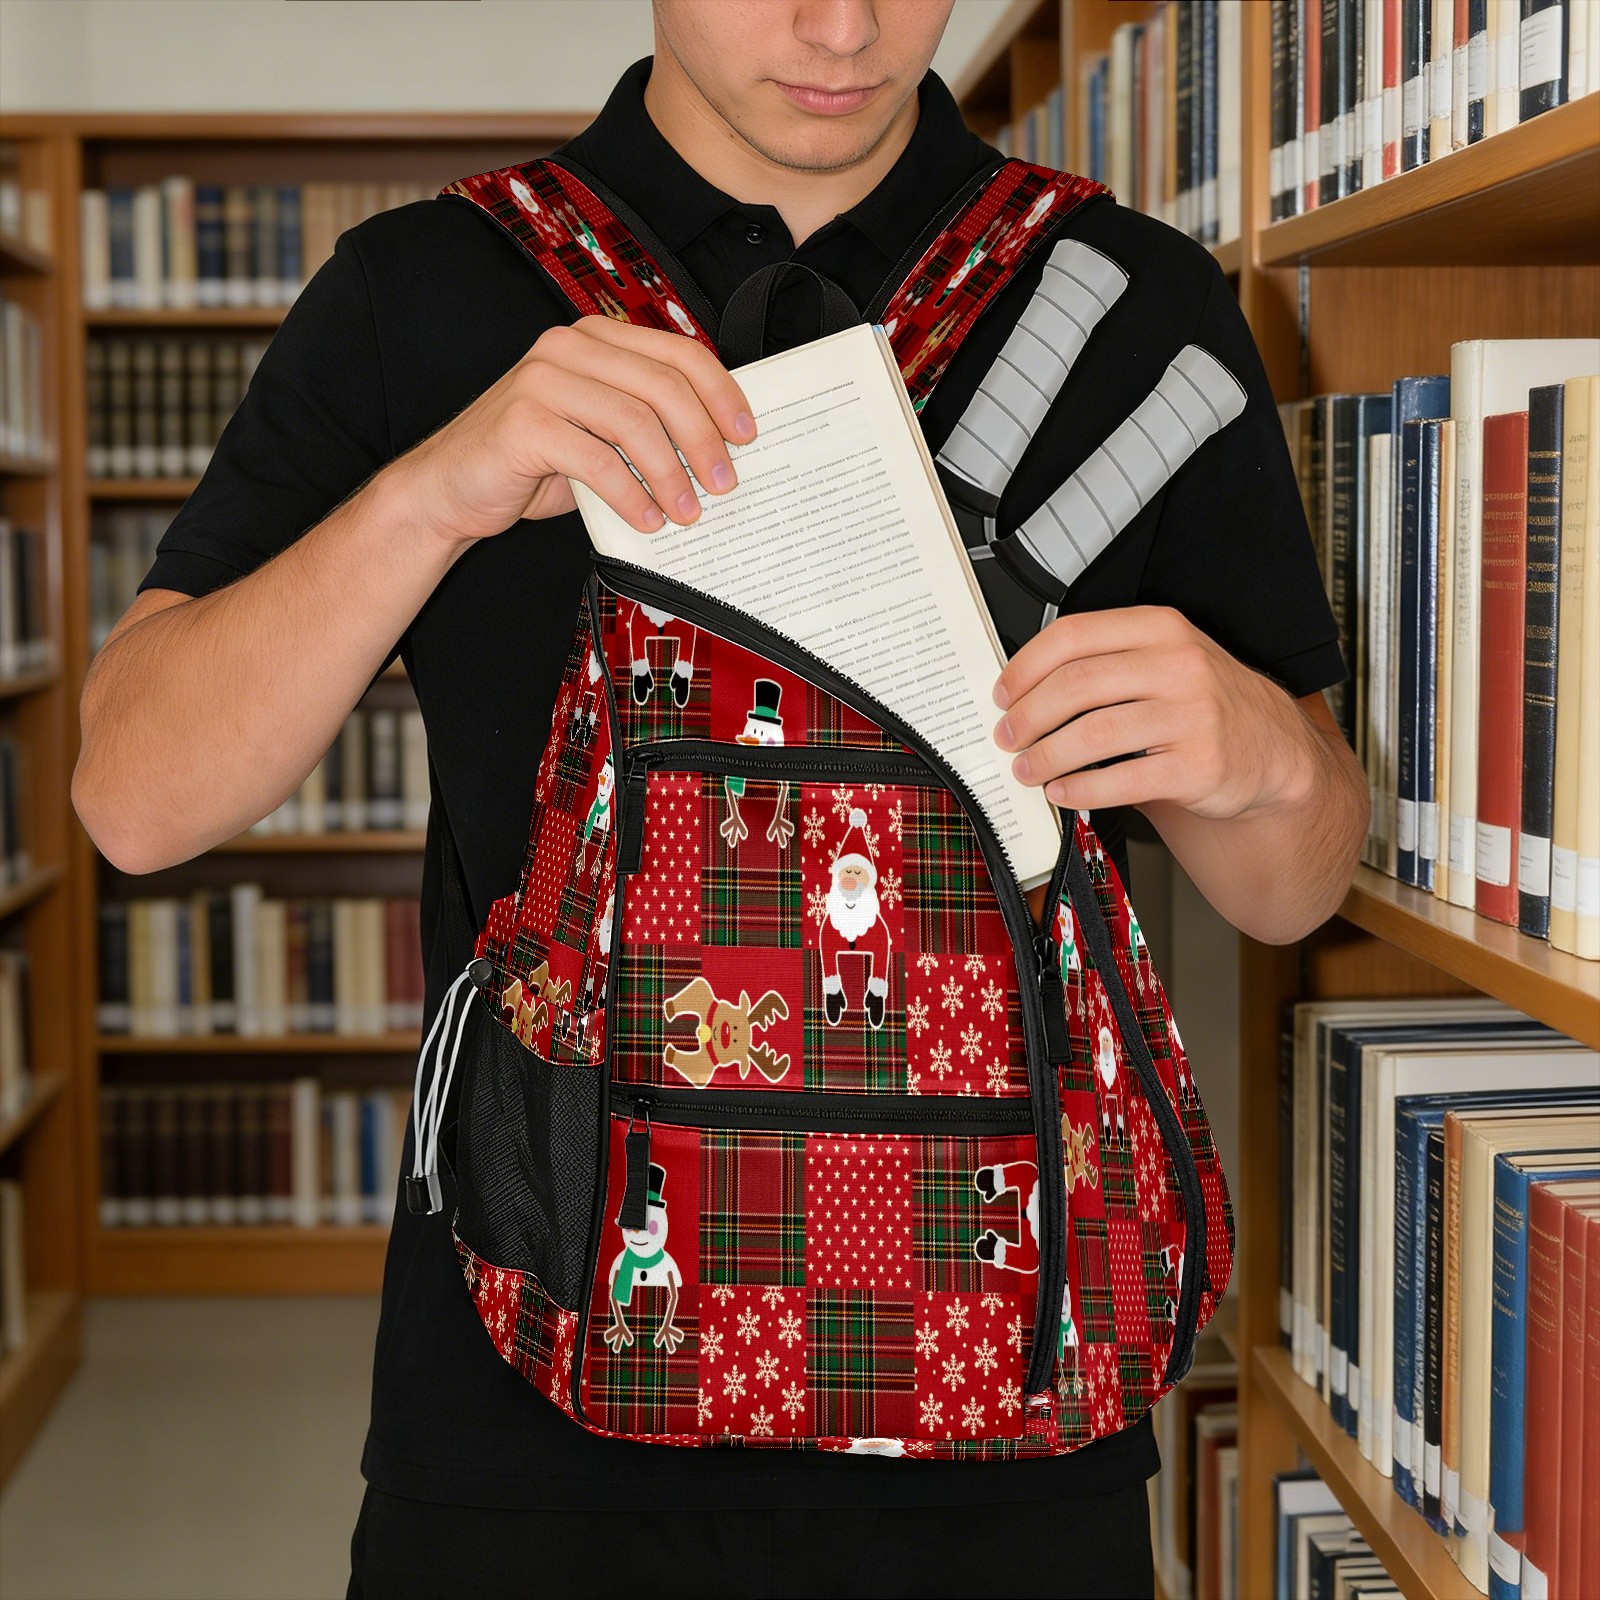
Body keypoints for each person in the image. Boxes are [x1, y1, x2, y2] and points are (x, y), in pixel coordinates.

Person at [71, 2, 1368, 1595]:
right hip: (528, 1432)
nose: (844, 26)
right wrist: (428, 497)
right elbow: (134, 799)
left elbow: (1292, 891)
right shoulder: (424, 292)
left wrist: (1266, 753)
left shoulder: (1130, 305)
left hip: (1015, 1428)